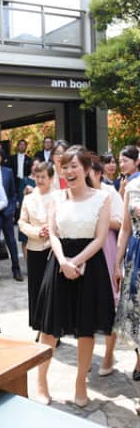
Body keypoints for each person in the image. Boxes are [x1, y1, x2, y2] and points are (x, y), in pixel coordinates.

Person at [33, 146, 113, 408]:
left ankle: (80, 382)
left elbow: (101, 238)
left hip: (89, 264)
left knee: (85, 328)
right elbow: (53, 233)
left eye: (74, 166)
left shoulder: (102, 198)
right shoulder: (56, 197)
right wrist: (64, 262)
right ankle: (41, 382)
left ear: (87, 169)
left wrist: (76, 263)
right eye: (64, 166)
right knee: (49, 328)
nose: (68, 171)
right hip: (59, 262)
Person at [88, 156, 124, 377]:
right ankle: (89, 355)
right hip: (86, 253)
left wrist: (98, 219)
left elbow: (120, 223)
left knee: (110, 305)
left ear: (99, 173)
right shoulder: (79, 195)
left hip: (107, 252)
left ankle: (109, 354)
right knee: (88, 307)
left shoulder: (110, 193)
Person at [18, 162, 54, 328]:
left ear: (51, 178)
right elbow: (22, 222)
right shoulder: (28, 198)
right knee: (35, 288)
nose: (39, 180)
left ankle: (53, 327)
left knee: (52, 290)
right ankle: (38, 325)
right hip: (34, 247)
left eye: (43, 177)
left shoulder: (59, 196)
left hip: (53, 249)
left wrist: (50, 230)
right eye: (37, 176)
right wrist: (36, 232)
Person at [112, 174, 140, 383]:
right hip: (136, 257)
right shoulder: (132, 186)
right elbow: (125, 228)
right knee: (136, 315)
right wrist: (117, 263)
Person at [0, 147, 23, 281]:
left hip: (7, 213)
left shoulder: (8, 172)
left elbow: (13, 194)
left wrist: (11, 208)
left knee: (11, 242)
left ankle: (16, 269)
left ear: (2, 158)